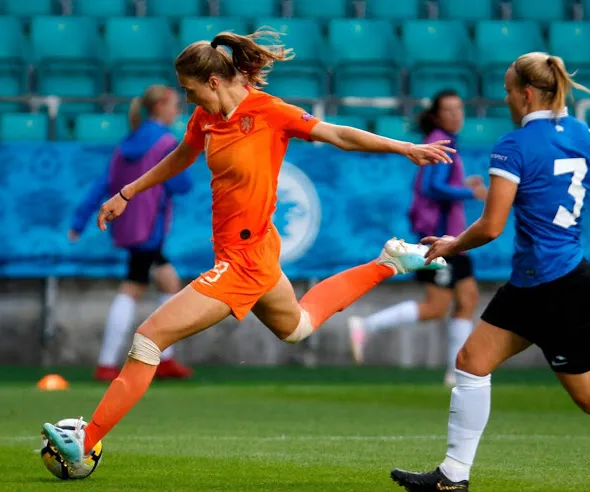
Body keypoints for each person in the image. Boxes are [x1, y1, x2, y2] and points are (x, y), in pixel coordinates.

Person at [42, 29, 454, 468]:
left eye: (190, 89)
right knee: (297, 327)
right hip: (248, 252)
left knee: (148, 339)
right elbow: (183, 154)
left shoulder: (268, 111)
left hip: (245, 261)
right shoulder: (206, 117)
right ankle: (387, 263)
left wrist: (405, 147)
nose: (188, 99)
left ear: (213, 82)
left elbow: (338, 134)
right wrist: (128, 192)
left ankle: (85, 440)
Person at [389, 52, 590, 492]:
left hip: (546, 284)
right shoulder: (584, 134)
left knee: (577, 392)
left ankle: (454, 476)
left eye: (507, 89)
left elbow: (492, 226)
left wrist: (453, 243)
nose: (504, 97)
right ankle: (453, 476)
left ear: (527, 93)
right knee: (491, 367)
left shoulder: (514, 146)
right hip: (560, 280)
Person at [347, 90, 487, 385]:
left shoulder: (447, 140)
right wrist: (468, 192)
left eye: (459, 109)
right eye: (448, 110)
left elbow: (436, 185)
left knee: (467, 298)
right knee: (437, 306)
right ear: (437, 115)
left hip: (452, 239)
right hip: (439, 239)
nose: (455, 115)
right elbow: (432, 188)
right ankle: (366, 326)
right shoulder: (441, 141)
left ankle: (456, 372)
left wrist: (462, 186)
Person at [69, 85, 194, 382]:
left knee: (168, 279)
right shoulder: (165, 142)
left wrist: (79, 220)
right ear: (161, 106)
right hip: (150, 224)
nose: (178, 111)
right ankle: (107, 363)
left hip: (130, 223)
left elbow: (104, 183)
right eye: (175, 105)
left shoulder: (126, 142)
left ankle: (165, 358)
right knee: (132, 287)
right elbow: (183, 184)